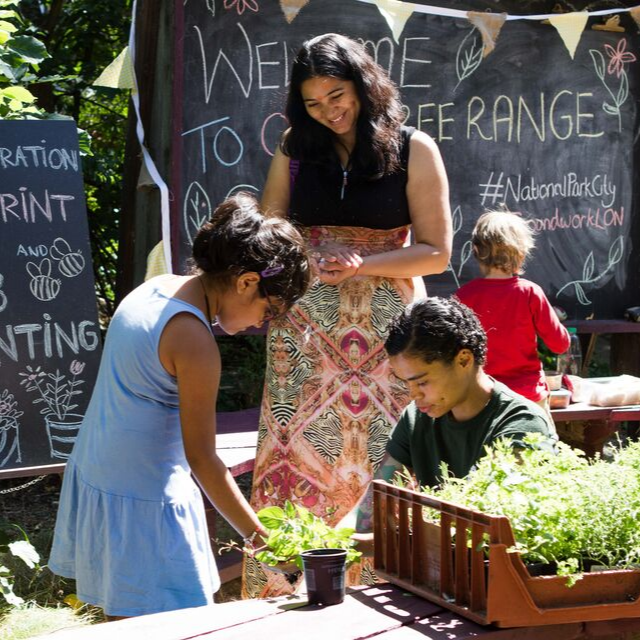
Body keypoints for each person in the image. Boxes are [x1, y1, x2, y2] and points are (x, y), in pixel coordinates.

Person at [244, 33, 452, 598]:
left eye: (337, 95)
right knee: (294, 455)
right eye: (313, 103)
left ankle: (385, 593)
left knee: (384, 454)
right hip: (303, 332)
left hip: (386, 327)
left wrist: (365, 262)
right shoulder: (294, 147)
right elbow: (270, 228)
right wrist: (303, 254)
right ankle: (284, 593)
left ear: (363, 85)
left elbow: (436, 250)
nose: (328, 111)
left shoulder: (414, 147)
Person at [48, 193, 310, 618]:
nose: (261, 323)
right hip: (146, 501)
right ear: (245, 281)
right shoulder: (193, 340)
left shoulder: (155, 288)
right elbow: (203, 460)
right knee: (177, 623)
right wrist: (265, 543)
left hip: (103, 477)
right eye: (268, 309)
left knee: (128, 619)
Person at [349, 297, 557, 543]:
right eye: (407, 383)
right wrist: (321, 547)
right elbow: (372, 507)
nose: (413, 394)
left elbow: (487, 528)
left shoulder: (522, 424)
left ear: (463, 360)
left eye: (422, 382)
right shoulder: (417, 417)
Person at [456, 209, 570, 411]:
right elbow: (559, 344)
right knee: (538, 442)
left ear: (476, 250)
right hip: (527, 397)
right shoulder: (529, 293)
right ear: (522, 252)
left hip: (481, 396)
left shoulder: (464, 297)